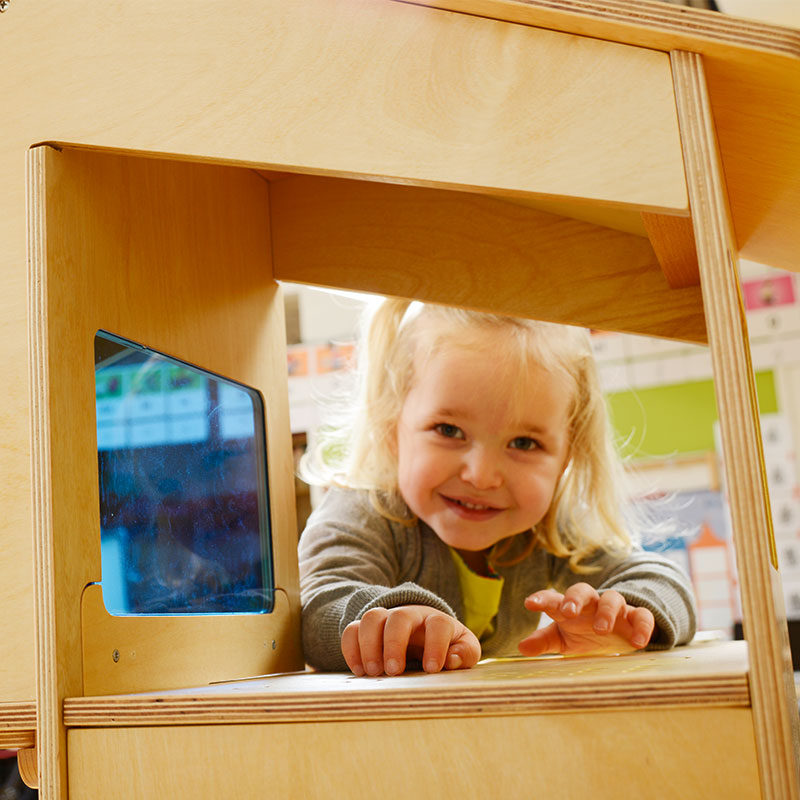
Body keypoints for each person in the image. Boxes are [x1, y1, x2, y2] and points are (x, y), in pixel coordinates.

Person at [298, 299, 696, 676]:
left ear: (567, 459)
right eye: (449, 430)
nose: (482, 476)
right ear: (390, 427)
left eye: (524, 443)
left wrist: (625, 617)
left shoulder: (550, 531)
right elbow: (315, 610)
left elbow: (665, 582)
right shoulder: (364, 513)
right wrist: (394, 622)